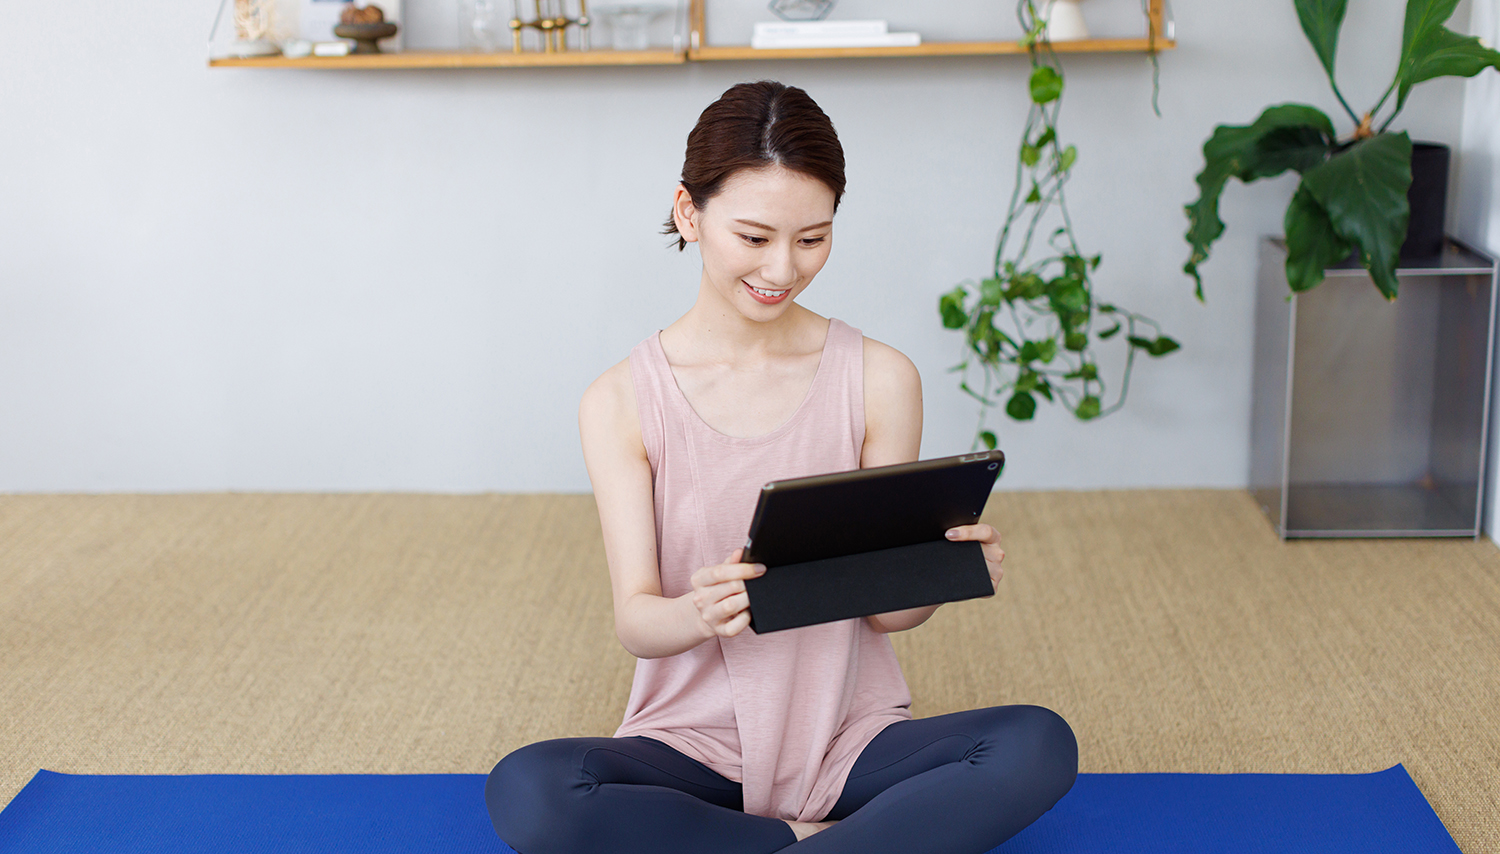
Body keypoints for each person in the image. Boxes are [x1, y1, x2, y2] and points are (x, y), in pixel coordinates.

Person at [485, 80, 1077, 854]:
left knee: (1039, 744)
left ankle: (760, 845)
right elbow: (637, 620)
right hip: (691, 747)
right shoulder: (621, 400)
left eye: (812, 238)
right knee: (531, 791)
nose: (784, 268)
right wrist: (699, 612)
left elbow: (883, 612)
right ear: (690, 214)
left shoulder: (879, 378)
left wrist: (940, 572)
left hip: (848, 740)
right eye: (754, 236)